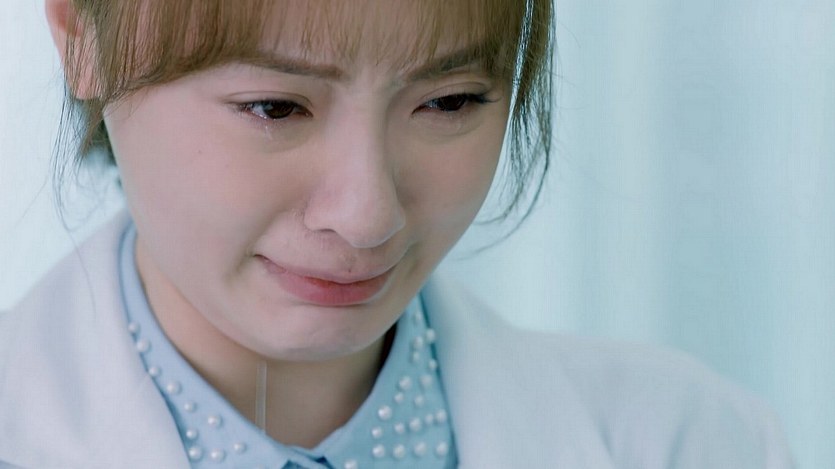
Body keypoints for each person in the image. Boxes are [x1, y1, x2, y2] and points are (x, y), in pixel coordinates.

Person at [0, 1, 794, 468]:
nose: (366, 215)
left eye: (449, 102)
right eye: (275, 107)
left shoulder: (693, 442)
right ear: (83, 38)